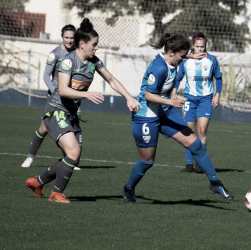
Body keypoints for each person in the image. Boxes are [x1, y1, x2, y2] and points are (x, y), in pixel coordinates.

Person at [26, 18, 141, 203]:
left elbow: (111, 80)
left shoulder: (94, 62)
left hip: (71, 114)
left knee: (73, 156)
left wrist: (129, 97)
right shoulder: (67, 61)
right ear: (82, 43)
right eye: (94, 45)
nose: (96, 49)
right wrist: (86, 95)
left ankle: (38, 182)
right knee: (73, 152)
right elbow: (62, 89)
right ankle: (56, 194)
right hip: (56, 111)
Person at [122, 33, 233, 205]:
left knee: (195, 144)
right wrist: (171, 101)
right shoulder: (159, 68)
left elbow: (179, 57)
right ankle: (128, 188)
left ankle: (215, 182)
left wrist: (191, 55)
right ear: (172, 52)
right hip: (146, 117)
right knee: (147, 161)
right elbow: (148, 94)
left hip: (166, 113)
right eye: (182, 56)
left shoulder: (173, 58)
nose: (183, 60)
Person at [21, 24, 80, 169]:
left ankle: (70, 159)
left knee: (70, 127)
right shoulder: (55, 54)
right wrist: (56, 90)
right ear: (62, 37)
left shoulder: (77, 54)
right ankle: (30, 156)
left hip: (71, 100)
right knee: (43, 128)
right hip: (55, 99)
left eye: (72, 38)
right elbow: (46, 76)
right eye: (67, 37)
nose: (69, 40)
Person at [171, 32, 222, 173]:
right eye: (197, 47)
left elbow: (218, 78)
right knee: (188, 131)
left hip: (205, 99)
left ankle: (200, 163)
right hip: (189, 99)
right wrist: (174, 92)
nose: (200, 49)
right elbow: (178, 77)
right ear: (192, 46)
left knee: (202, 129)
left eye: (202, 47)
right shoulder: (186, 61)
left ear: (206, 47)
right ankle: (189, 164)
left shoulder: (212, 60)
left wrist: (217, 96)